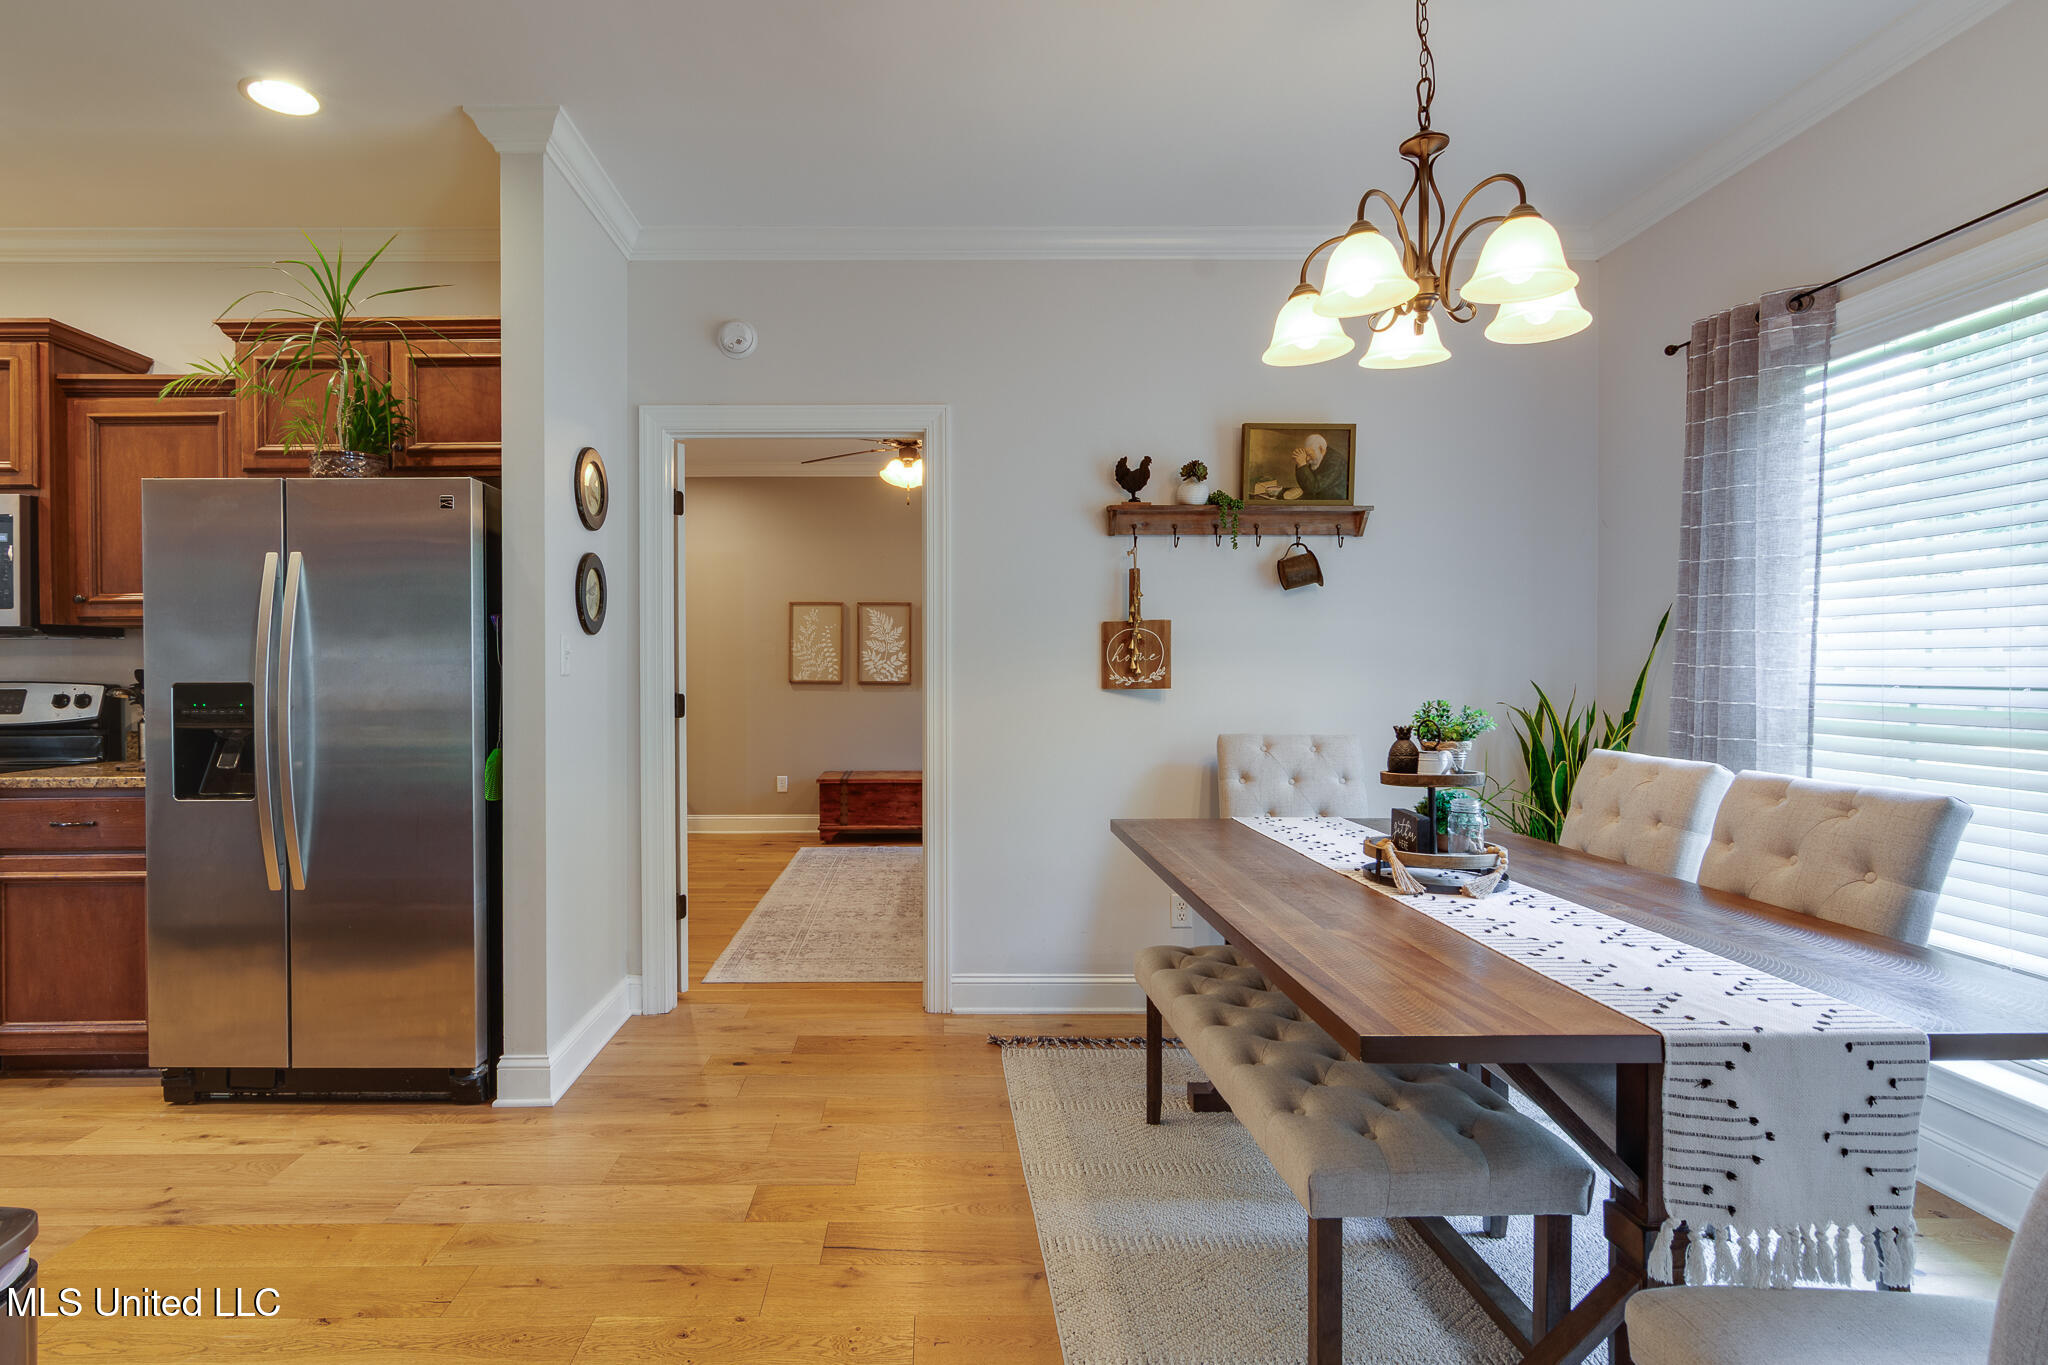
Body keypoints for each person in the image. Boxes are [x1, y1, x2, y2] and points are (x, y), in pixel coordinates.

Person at [1291, 433, 1348, 501]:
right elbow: (1306, 486)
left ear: (1321, 449)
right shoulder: (1318, 457)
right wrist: (1299, 464)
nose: (1307, 459)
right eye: (1306, 454)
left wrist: (1302, 464)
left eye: (1309, 455)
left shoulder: (1336, 462)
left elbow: (1314, 487)